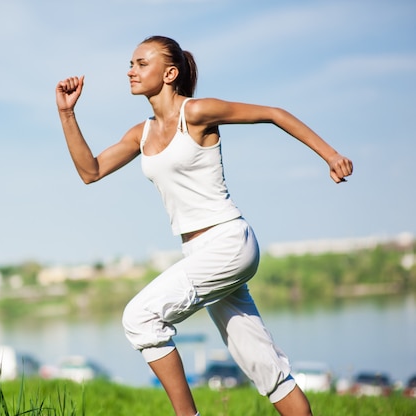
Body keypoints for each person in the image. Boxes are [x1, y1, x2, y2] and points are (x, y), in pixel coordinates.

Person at [55, 35, 353, 416]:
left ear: (170, 73)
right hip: (198, 252)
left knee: (140, 317)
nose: (131, 71)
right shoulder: (140, 134)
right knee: (267, 369)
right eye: (130, 64)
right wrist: (67, 114)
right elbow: (90, 171)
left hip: (228, 241)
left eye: (141, 63)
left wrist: (331, 155)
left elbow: (275, 113)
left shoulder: (196, 113)